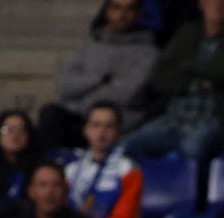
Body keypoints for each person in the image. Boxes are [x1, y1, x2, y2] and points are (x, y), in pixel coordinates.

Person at [123, 0, 224, 161]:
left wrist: (183, 66)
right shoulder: (186, 34)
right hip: (174, 117)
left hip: (212, 119)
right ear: (202, 4)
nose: (219, 4)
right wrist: (196, 82)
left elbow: (223, 72)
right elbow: (159, 76)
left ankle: (188, 186)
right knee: (128, 145)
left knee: (192, 148)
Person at [38, 0, 157, 150]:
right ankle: (48, 170)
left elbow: (127, 94)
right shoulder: (91, 45)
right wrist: (100, 80)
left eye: (129, 9)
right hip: (78, 115)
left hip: (117, 121)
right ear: (107, 11)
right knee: (51, 115)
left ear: (139, 15)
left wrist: (83, 97)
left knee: (96, 125)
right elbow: (65, 85)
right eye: (116, 8)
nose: (122, 15)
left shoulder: (148, 53)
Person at [65, 102, 143, 218]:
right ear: (86, 130)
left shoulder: (128, 169)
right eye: (96, 125)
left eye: (109, 126)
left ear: (118, 133)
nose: (101, 132)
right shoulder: (71, 170)